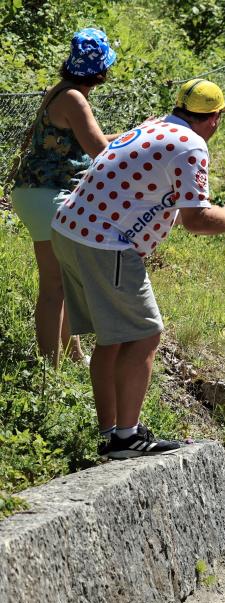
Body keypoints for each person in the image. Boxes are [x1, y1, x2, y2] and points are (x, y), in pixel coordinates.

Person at [49, 79, 225, 458]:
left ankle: (110, 433)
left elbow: (159, 200)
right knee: (144, 335)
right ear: (216, 118)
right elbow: (198, 220)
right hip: (105, 243)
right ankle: (126, 438)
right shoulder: (192, 145)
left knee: (113, 339)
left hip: (70, 228)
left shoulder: (155, 126)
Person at [10, 28, 119, 365]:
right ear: (100, 72)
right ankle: (49, 370)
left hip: (37, 194)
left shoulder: (62, 92)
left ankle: (72, 353)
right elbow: (101, 151)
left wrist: (135, 133)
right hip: (49, 197)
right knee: (56, 286)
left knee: (70, 280)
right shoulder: (74, 99)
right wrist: (142, 142)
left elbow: (92, 140)